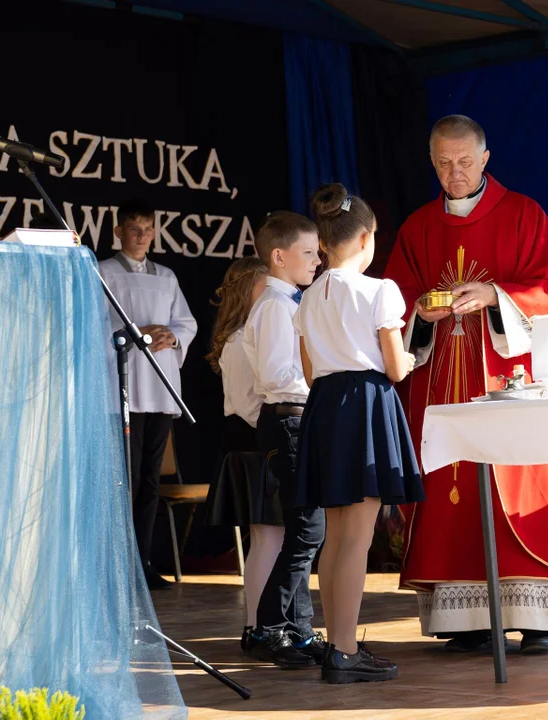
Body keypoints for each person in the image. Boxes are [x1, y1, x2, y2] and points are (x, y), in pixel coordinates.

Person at [384, 115, 548, 653]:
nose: (454, 172)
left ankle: (535, 618)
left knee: (518, 481)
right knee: (450, 490)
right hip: (443, 380)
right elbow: (394, 298)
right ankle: (464, 621)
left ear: (486, 158)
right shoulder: (418, 227)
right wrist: (420, 309)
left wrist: (495, 297)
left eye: (464, 161)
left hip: (510, 377)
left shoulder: (523, 215)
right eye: (443, 163)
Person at [298, 183, 424, 684]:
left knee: (336, 537)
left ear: (325, 244)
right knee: (357, 537)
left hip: (326, 406)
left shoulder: (310, 296)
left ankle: (338, 645)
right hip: (366, 404)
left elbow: (309, 374)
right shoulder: (380, 290)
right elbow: (394, 368)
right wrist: (409, 359)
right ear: (369, 238)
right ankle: (345, 650)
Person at [99, 198, 198, 590]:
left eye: (147, 229)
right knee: (126, 479)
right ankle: (118, 565)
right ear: (119, 232)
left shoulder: (166, 276)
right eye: (133, 229)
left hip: (158, 387)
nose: (141, 236)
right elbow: (94, 324)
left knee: (150, 482)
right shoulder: (104, 272)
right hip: (123, 387)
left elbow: (185, 323)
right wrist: (136, 333)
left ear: (155, 232)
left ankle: (142, 562)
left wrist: (172, 336)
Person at [241, 211, 326, 668]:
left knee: (305, 528)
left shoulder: (289, 301)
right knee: (308, 527)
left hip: (298, 420)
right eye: (308, 252)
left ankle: (299, 630)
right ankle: (268, 628)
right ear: (279, 256)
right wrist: (325, 379)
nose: (317, 260)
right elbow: (278, 375)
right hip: (287, 420)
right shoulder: (275, 306)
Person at [203, 257, 286, 652]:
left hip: (251, 442)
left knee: (269, 539)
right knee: (269, 538)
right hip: (254, 443)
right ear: (247, 290)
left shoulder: (242, 335)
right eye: (263, 286)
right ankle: (259, 626)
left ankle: (261, 623)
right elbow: (250, 401)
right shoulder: (241, 339)